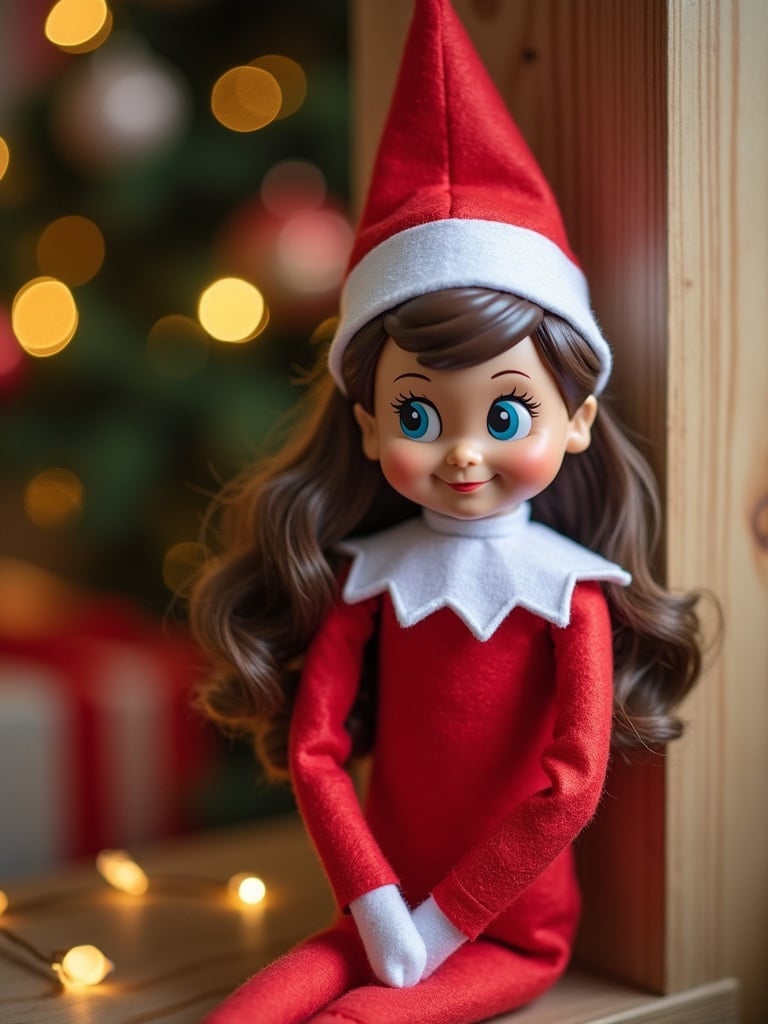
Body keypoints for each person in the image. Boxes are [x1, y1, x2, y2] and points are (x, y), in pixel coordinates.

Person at [190, 2, 703, 1021]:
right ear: (371, 426)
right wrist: (377, 904)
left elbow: (573, 778)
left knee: (355, 1017)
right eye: (419, 412)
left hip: (511, 926)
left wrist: (445, 920)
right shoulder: (368, 573)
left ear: (578, 419)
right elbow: (316, 747)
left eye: (507, 411)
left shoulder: (572, 595)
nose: (464, 450)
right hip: (380, 903)